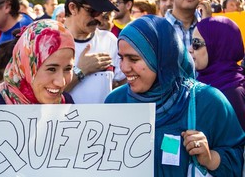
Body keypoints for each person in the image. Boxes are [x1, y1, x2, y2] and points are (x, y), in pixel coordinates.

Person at [105, 15, 245, 176]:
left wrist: (210, 158)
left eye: (134, 59)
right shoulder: (116, 102)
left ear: (161, 57)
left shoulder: (207, 102)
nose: (124, 68)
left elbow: (237, 160)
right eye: (121, 58)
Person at [0, 19, 75, 177]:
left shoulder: (67, 104)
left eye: (68, 68)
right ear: (26, 64)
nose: (61, 81)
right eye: (51, 68)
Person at [64, 0, 126, 103]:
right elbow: (42, 96)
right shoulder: (50, 42)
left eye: (102, 12)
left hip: (104, 122)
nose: (99, 18)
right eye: (93, 11)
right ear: (73, 7)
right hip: (63, 122)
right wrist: (80, 71)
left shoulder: (110, 40)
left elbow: (123, 83)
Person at [189, 16, 245, 131]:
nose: (190, 49)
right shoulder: (200, 81)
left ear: (217, 45)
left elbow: (236, 145)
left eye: (196, 43)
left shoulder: (232, 92)